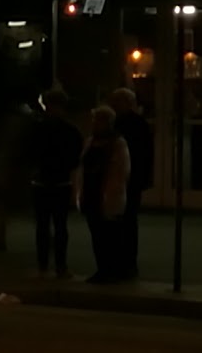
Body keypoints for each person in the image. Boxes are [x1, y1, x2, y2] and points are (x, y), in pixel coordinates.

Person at [27, 88, 83, 279]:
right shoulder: (71, 131)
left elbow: (29, 154)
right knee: (60, 226)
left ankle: (43, 265)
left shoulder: (37, 128)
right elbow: (75, 159)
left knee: (42, 226)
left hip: (41, 181)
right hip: (61, 182)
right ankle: (61, 266)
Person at [80, 105, 131, 284]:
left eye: (98, 120)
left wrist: (112, 191)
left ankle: (113, 269)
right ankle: (102, 268)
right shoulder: (90, 142)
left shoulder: (117, 143)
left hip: (107, 194)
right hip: (91, 193)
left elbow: (121, 171)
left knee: (110, 235)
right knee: (97, 234)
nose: (94, 124)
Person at [109, 87, 154, 281]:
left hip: (129, 178)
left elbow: (143, 154)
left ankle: (126, 261)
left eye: (118, 102)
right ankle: (124, 261)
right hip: (127, 178)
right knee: (124, 220)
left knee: (126, 220)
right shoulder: (134, 124)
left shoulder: (126, 125)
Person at [0, 102, 34, 252]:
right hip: (14, 169)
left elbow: (5, 151)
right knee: (15, 204)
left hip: (8, 169)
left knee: (1, 205)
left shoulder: (9, 129)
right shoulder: (25, 126)